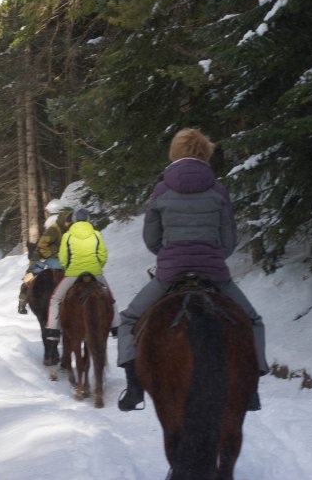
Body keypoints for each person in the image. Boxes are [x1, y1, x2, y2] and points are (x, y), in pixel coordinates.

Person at [116, 128, 269, 412]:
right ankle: (251, 390)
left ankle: (135, 387)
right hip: (213, 273)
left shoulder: (161, 189)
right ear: (206, 153)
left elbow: (151, 238)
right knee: (253, 321)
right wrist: (212, 257)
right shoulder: (218, 189)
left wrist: (168, 255)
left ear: (175, 151)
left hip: (171, 273)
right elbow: (228, 240)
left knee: (128, 320)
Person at [43, 208, 119, 338]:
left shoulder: (68, 235)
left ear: (75, 220)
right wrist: (97, 267)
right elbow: (102, 255)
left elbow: (63, 257)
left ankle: (53, 330)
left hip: (74, 273)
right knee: (110, 298)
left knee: (55, 299)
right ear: (88, 219)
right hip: (95, 272)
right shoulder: (96, 234)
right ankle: (115, 327)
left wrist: (68, 268)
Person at [17, 200, 71, 314]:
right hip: (41, 255)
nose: (69, 223)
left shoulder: (63, 229)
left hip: (52, 256)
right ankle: (22, 303)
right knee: (30, 275)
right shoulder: (54, 228)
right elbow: (42, 245)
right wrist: (52, 255)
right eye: (68, 221)